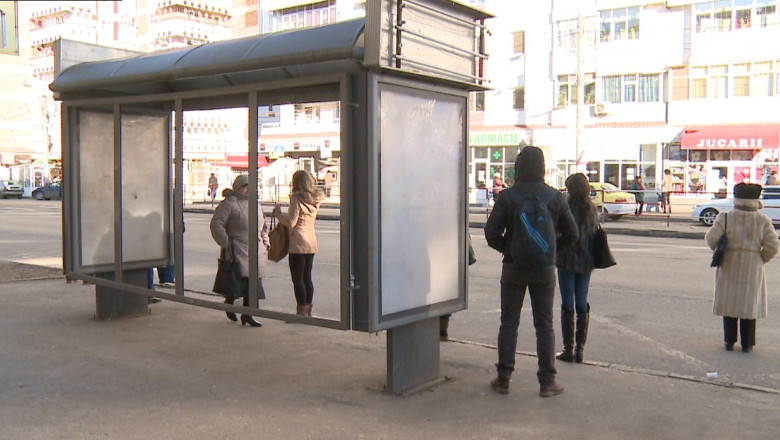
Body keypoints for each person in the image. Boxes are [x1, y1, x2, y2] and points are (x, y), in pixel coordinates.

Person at [484, 146, 578, 397]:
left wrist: (509, 249)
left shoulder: (508, 197)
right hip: (544, 270)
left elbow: (490, 233)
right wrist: (553, 253)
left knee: (509, 322)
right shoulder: (555, 197)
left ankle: (503, 378)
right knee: (544, 325)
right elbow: (572, 233)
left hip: (513, 268)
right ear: (542, 167)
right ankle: (547, 382)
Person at [705, 183, 779, 353]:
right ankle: (747, 344)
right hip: (752, 266)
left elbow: (711, 240)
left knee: (729, 304)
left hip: (729, 264)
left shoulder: (725, 218)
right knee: (749, 306)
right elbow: (773, 246)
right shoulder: (762, 220)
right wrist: (760, 258)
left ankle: (729, 341)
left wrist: (724, 251)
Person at [210, 175, 270, 327]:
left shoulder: (256, 204)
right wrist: (227, 243)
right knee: (238, 282)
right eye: (244, 187)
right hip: (238, 250)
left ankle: (248, 314)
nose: (248, 190)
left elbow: (263, 226)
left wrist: (265, 242)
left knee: (253, 284)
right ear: (237, 188)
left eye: (250, 187)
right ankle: (230, 302)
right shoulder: (229, 204)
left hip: (256, 250)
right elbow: (217, 224)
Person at [555, 173, 600, 363]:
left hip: (566, 260)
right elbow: (595, 234)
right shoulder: (592, 209)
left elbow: (559, 232)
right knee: (581, 303)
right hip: (586, 262)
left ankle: (568, 349)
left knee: (567, 304)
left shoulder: (565, 207)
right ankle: (580, 350)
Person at [273, 170, 323, 316]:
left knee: (297, 278)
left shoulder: (296, 199)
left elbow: (291, 223)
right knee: (307, 277)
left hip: (297, 242)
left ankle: (301, 309)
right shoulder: (315, 199)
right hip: (311, 241)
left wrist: (278, 215)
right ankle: (308, 308)